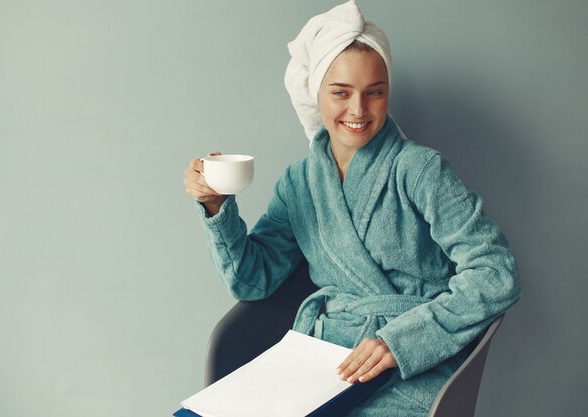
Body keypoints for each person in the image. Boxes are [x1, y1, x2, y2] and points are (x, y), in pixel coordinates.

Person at [183, 1, 520, 416]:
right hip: (319, 360)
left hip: (410, 360)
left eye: (374, 92)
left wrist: (403, 342)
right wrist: (217, 208)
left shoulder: (419, 169)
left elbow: (495, 271)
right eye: (341, 92)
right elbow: (253, 280)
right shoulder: (301, 181)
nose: (358, 110)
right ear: (315, 93)